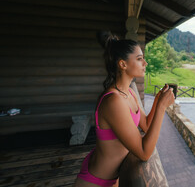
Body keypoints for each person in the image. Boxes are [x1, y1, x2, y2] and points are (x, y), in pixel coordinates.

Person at [73, 34, 175, 187]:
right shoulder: (114, 101)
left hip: (113, 178)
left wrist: (157, 100)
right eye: (139, 59)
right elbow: (144, 152)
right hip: (95, 182)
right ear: (123, 64)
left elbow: (146, 125)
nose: (145, 63)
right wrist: (161, 107)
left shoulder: (129, 93)